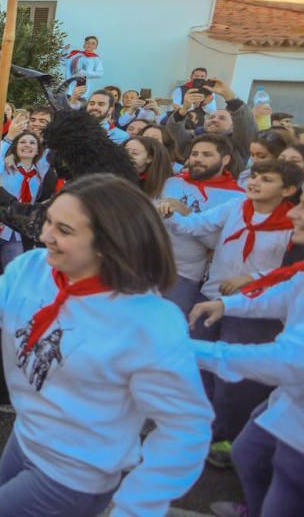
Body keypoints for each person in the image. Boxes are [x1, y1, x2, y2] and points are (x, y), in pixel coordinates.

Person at [0, 174, 213, 517]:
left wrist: (138, 506)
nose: (45, 236)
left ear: (108, 243)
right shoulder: (34, 266)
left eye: (64, 231)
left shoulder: (149, 320)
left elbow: (187, 430)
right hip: (22, 440)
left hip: (73, 476)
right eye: (49, 220)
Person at [160, 159, 303, 468]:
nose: (254, 183)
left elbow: (289, 271)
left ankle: (225, 436)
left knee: (235, 381)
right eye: (254, 176)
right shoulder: (237, 207)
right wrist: (172, 217)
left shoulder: (293, 223)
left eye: (266, 179)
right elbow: (198, 225)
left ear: (288, 189)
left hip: (256, 311)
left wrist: (253, 278)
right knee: (199, 369)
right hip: (213, 296)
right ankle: (199, 427)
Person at [187, 196, 304, 517]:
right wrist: (228, 305)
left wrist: (187, 350)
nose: (292, 212)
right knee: (250, 453)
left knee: (286, 479)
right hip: (290, 400)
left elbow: (290, 362)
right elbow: (282, 295)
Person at [158, 134, 245, 316]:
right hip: (147, 266)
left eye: (207, 154)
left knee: (171, 330)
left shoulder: (236, 198)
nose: (198, 159)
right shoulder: (172, 181)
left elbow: (218, 245)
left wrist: (185, 212)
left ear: (225, 159)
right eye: (195, 153)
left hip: (183, 276)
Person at [167, 77, 254, 175]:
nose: (214, 120)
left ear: (233, 126)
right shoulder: (192, 138)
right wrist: (185, 108)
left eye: (222, 118)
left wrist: (229, 95)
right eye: (211, 117)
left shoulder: (240, 144)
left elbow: (246, 124)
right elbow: (174, 129)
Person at [0, 132, 43, 268]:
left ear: (38, 150)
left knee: (14, 269)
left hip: (16, 230)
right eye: (22, 142)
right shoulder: (6, 167)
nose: (27, 145)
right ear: (15, 147)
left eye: (32, 143)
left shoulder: (39, 175)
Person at [124, 136, 171, 200]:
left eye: (135, 153)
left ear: (149, 158)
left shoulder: (162, 187)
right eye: (125, 150)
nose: (127, 155)